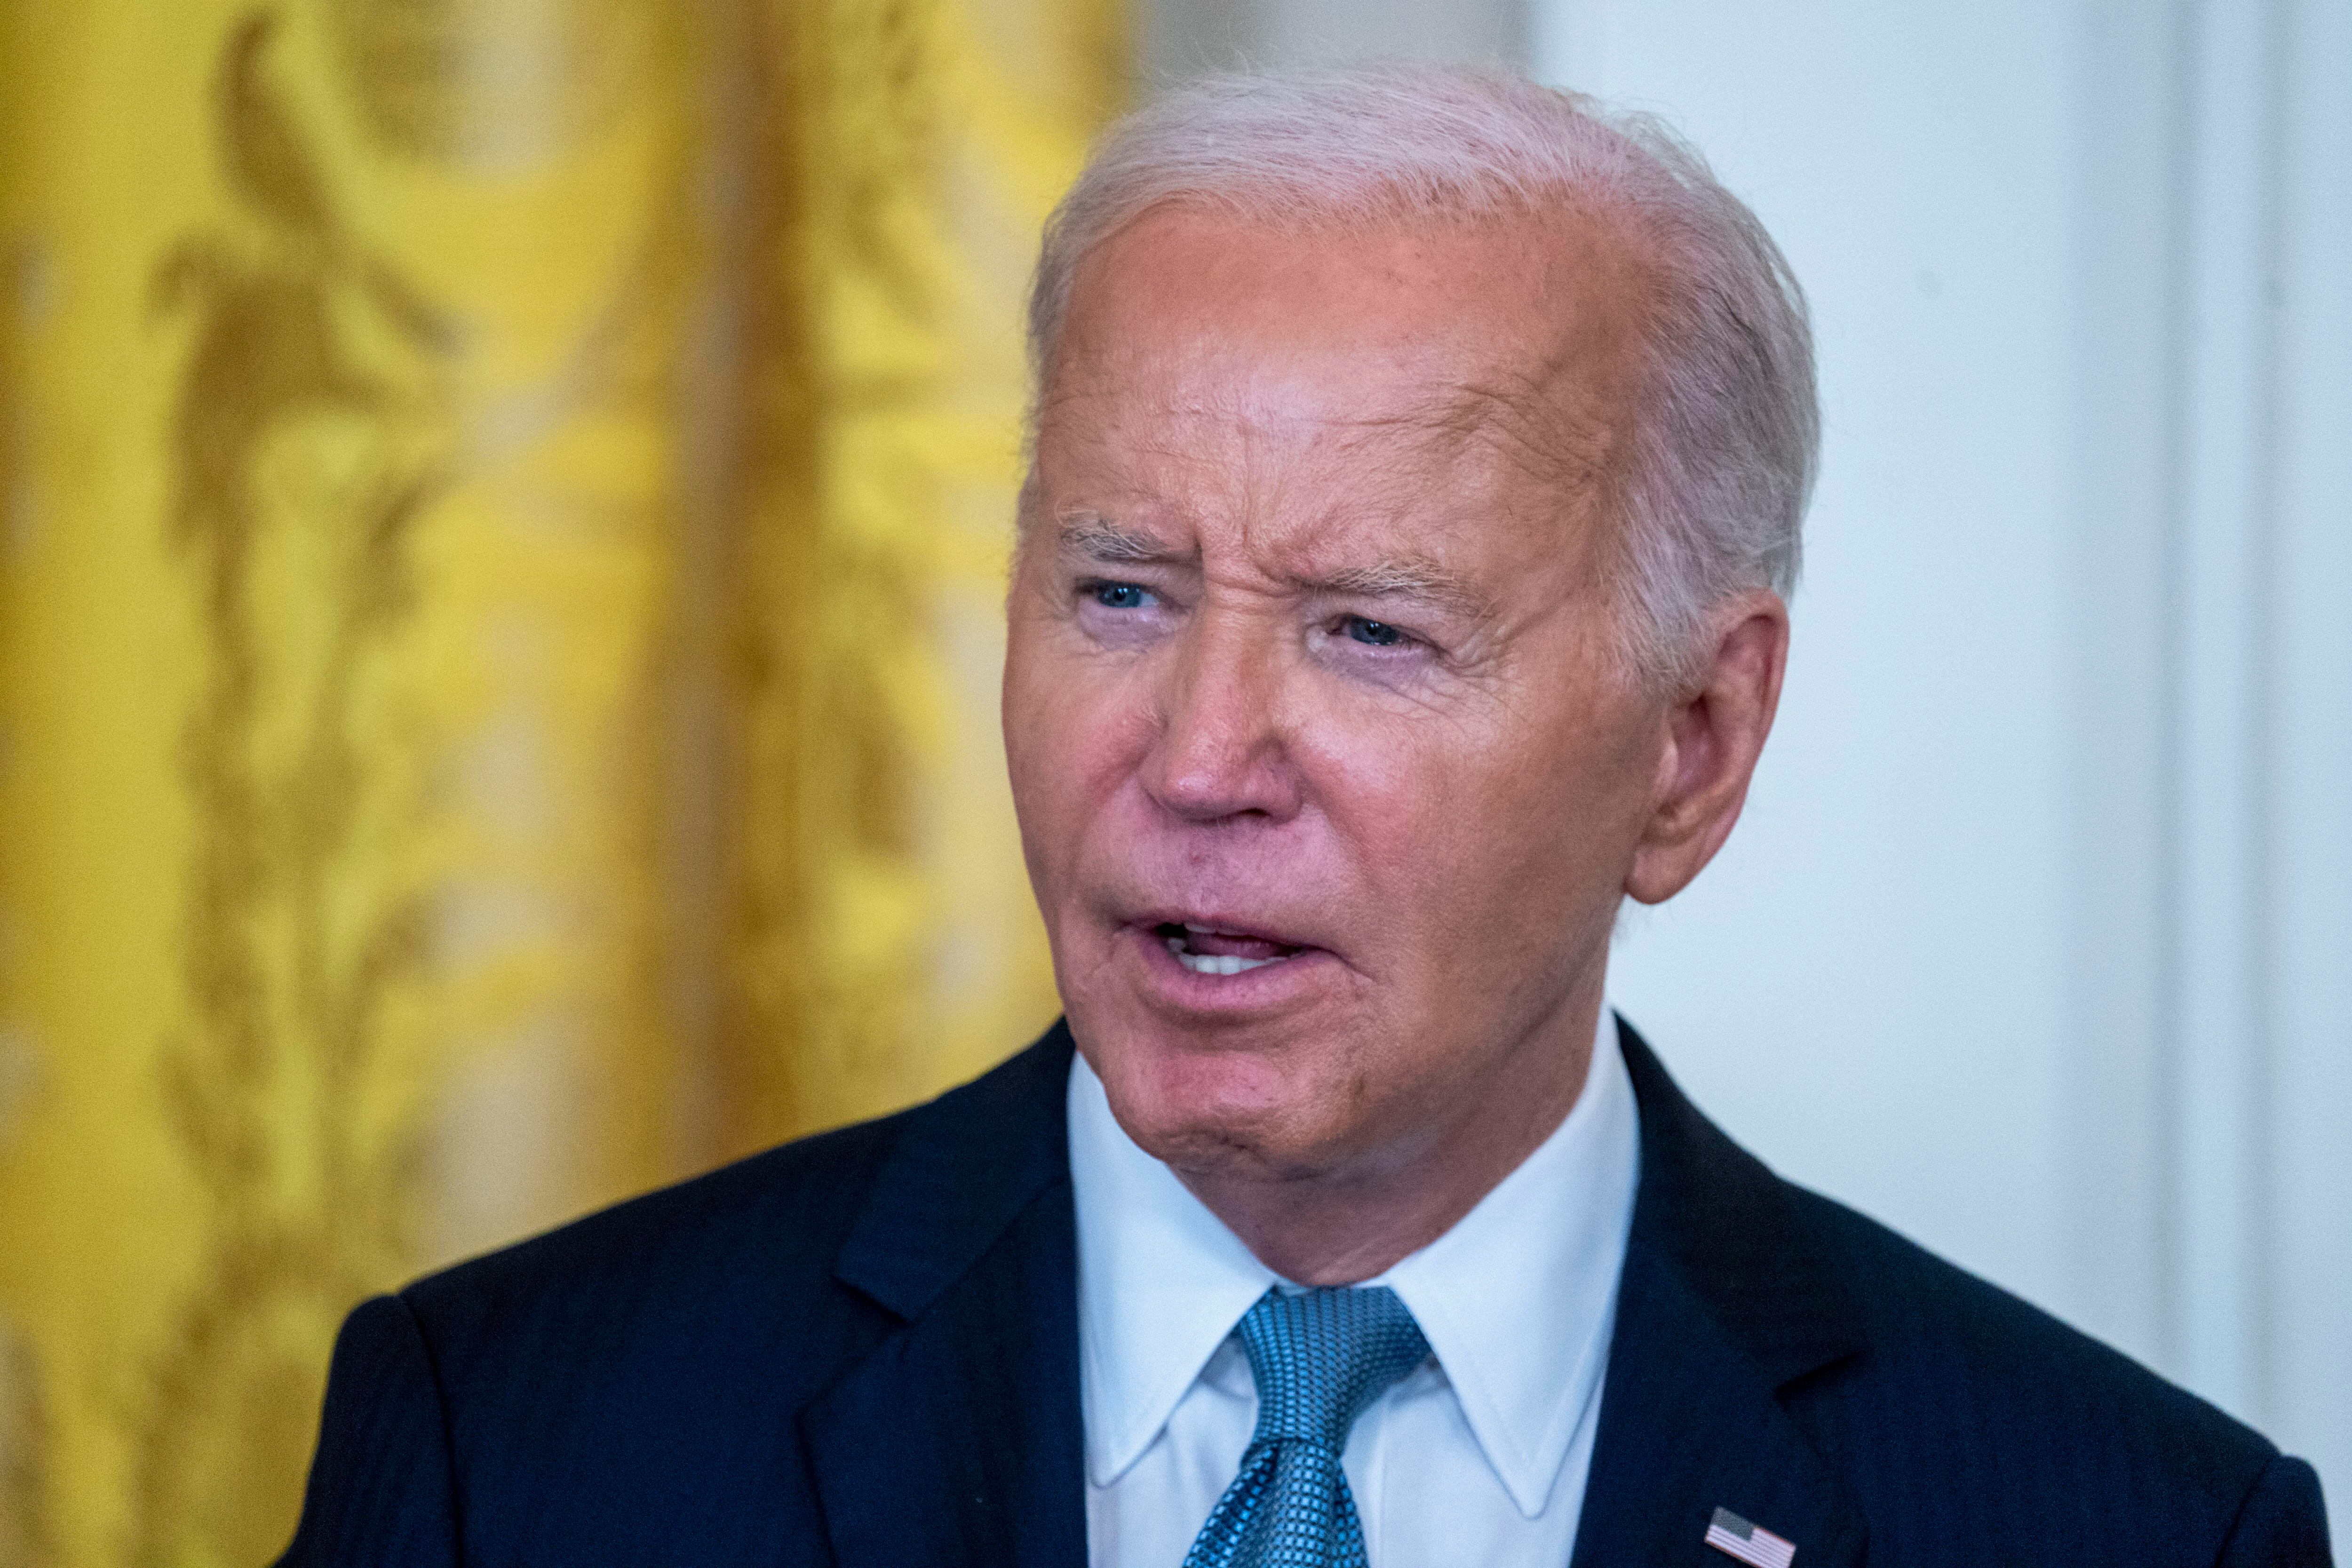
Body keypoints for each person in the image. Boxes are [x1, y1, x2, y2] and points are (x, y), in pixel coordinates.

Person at [278, 67, 2332, 1568]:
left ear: (1690, 746)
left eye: (1364, 630)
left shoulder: (2130, 1528)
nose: (1193, 757)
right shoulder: (509, 1448)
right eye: (1118, 594)